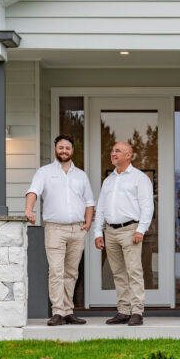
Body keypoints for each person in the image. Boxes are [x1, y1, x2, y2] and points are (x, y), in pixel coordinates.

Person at [25, 134, 94, 326]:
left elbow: (89, 201)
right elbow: (33, 192)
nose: (64, 151)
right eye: (61, 147)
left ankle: (68, 311)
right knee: (56, 271)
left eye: (68, 148)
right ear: (56, 149)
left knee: (71, 272)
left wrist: (87, 224)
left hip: (77, 230)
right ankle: (57, 312)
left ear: (73, 151)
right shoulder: (44, 172)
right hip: (55, 229)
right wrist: (29, 209)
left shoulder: (81, 175)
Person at [94, 141, 154, 326]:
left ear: (129, 155)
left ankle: (137, 311)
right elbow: (101, 208)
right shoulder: (109, 180)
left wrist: (140, 230)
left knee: (134, 271)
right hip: (110, 231)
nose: (113, 153)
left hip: (130, 230)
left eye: (117, 151)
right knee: (118, 273)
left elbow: (147, 206)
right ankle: (123, 311)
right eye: (112, 151)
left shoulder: (139, 178)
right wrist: (98, 232)